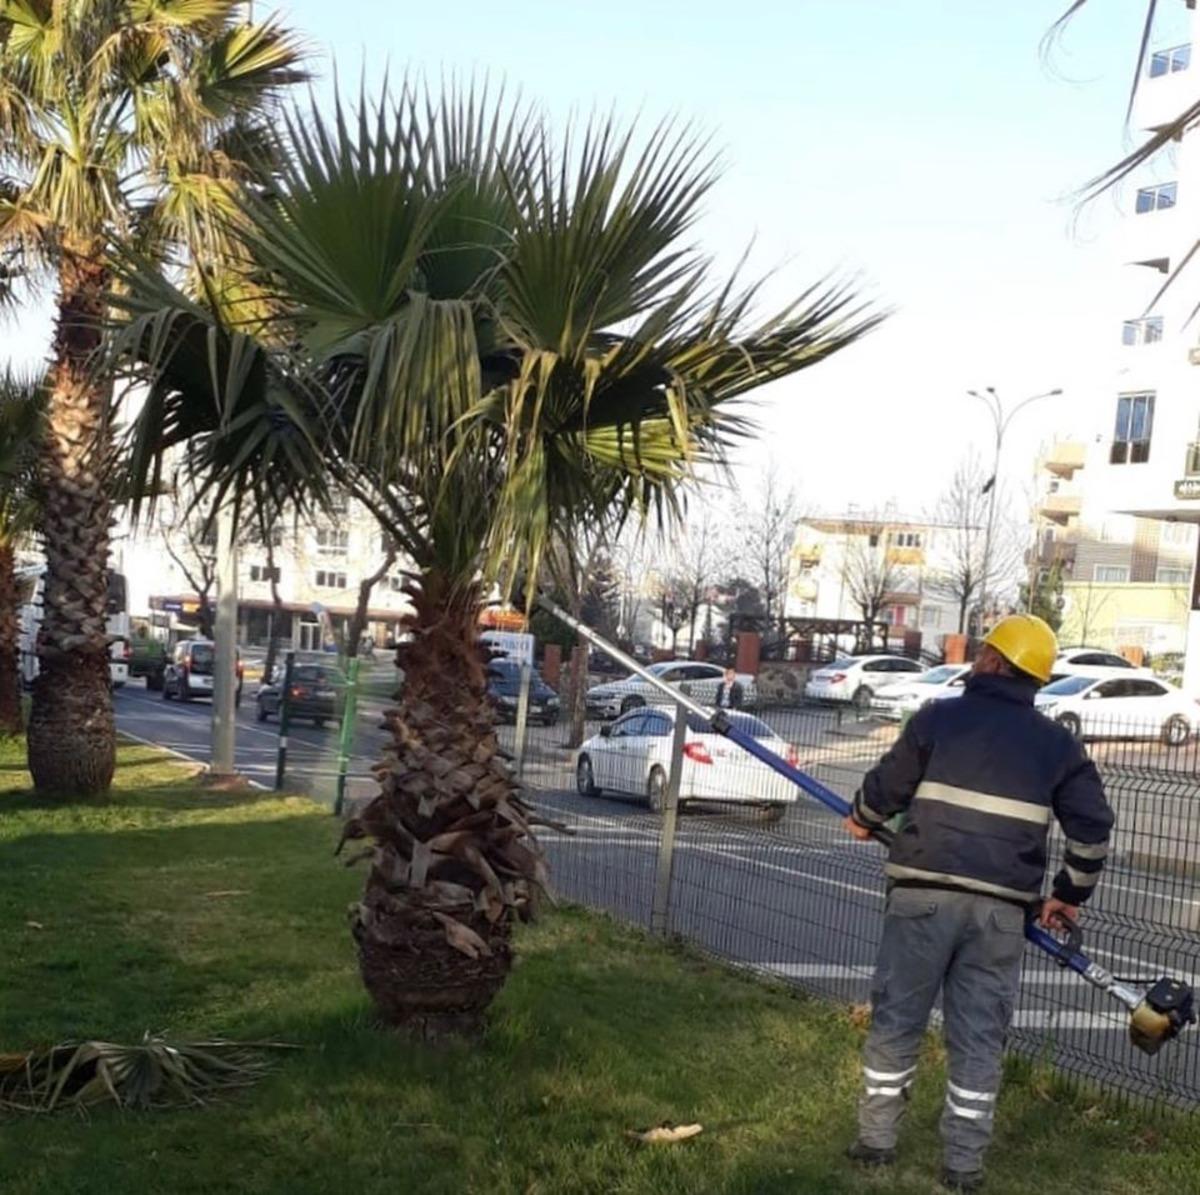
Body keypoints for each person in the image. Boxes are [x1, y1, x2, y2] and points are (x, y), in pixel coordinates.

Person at [843, 614, 1113, 1193]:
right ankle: (963, 1166)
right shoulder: (1057, 746)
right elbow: (1092, 829)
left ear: (992, 661)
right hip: (1000, 915)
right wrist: (1067, 896)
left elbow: (887, 787)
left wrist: (864, 816)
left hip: (922, 898)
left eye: (983, 650)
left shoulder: (938, 718)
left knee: (897, 1021)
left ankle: (876, 1142)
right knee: (979, 1039)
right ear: (1036, 678)